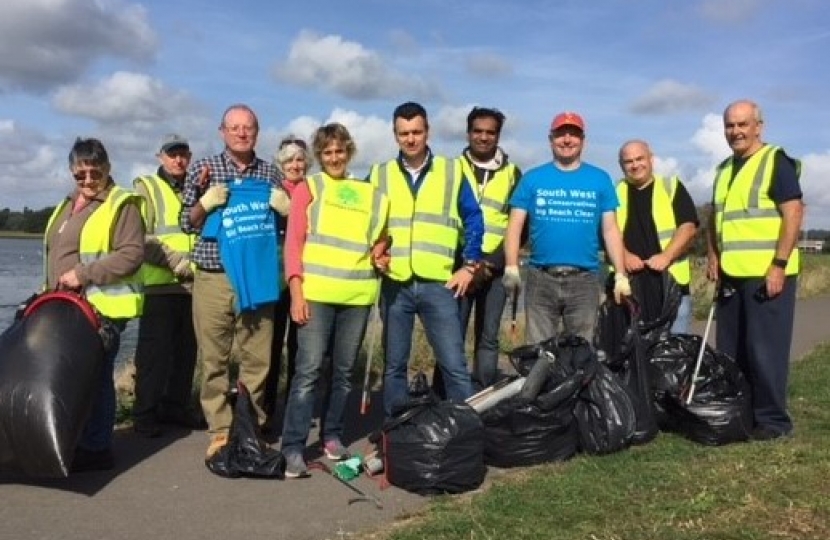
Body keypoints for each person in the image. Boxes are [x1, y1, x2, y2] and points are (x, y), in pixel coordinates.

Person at [280, 123, 389, 478]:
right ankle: (293, 446)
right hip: (316, 296)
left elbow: (379, 240)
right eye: (327, 153)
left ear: (350, 151)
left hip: (356, 296)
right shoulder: (308, 188)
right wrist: (296, 291)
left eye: (339, 151)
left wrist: (380, 254)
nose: (334, 158)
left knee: (342, 374)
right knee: (308, 372)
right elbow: (293, 244)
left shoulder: (370, 194)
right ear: (318, 156)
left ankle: (332, 436)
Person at [180, 103, 285, 459]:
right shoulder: (204, 169)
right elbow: (186, 221)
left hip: (256, 277)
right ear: (222, 131)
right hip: (213, 277)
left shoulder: (270, 174)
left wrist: (286, 210)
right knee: (214, 358)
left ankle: (251, 426)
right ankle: (222, 430)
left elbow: (284, 229)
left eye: (249, 127)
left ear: (257, 132)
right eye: (235, 127)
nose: (242, 133)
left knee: (258, 358)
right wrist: (206, 203)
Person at [368, 101, 484, 416]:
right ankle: (396, 433)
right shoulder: (380, 174)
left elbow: (474, 219)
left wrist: (470, 266)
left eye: (417, 132)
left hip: (439, 283)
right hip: (396, 283)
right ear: (395, 135)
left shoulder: (452, 169)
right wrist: (374, 251)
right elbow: (367, 223)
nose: (411, 139)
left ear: (427, 132)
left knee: (454, 365)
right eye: (404, 133)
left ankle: (468, 430)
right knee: (394, 366)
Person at [43, 137, 144, 471]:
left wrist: (83, 274)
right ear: (72, 172)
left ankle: (98, 448)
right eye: (80, 174)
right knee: (75, 377)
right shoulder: (66, 205)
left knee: (99, 377)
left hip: (104, 308)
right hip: (65, 306)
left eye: (95, 173)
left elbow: (132, 255)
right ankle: (74, 438)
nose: (88, 181)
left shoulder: (121, 204)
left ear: (108, 169)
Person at [707, 99, 803, 441]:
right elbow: (716, 218)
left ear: (758, 126)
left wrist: (778, 265)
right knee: (732, 351)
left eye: (743, 124)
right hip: (732, 274)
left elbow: (793, 213)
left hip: (767, 274)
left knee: (765, 350)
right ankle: (742, 416)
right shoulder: (723, 169)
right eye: (730, 126)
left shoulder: (774, 161)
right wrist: (713, 255)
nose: (736, 132)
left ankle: (774, 422)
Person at [503, 112, 630, 345]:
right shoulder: (532, 178)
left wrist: (621, 273)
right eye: (561, 134)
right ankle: (543, 383)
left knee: (581, 353)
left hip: (585, 280)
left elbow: (610, 230)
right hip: (541, 278)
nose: (567, 140)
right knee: (539, 353)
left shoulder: (600, 179)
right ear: (551, 139)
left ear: (583, 140)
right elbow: (514, 226)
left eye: (574, 134)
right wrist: (511, 266)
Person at [131, 134, 202, 437]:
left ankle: (176, 406)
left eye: (183, 154)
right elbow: (139, 238)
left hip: (194, 287)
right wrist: (176, 263)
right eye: (172, 154)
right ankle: (145, 415)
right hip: (160, 286)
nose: (178, 160)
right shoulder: (145, 187)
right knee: (153, 356)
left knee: (187, 352)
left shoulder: (199, 188)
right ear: (160, 156)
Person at [457, 107, 522, 390]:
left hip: (495, 268)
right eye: (478, 131)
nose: (483, 137)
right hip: (459, 268)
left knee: (488, 335)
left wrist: (492, 263)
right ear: (468, 132)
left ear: (497, 135)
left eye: (490, 132)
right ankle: (447, 397)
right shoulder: (451, 167)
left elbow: (520, 225)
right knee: (451, 335)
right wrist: (468, 264)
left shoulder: (512, 174)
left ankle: (483, 396)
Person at [616, 140, 698, 333]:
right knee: (632, 353)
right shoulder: (614, 192)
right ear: (621, 165)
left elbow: (688, 227)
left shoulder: (671, 186)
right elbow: (605, 232)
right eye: (628, 162)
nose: (635, 165)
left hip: (671, 285)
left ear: (651, 159)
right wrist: (625, 256)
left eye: (639, 159)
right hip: (630, 288)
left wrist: (666, 256)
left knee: (674, 352)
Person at [263, 135, 310, 427]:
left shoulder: (315, 191)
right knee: (270, 346)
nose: (295, 165)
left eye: (300, 159)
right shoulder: (271, 192)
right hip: (275, 280)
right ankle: (266, 409)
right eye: (289, 160)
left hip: (306, 281)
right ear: (280, 164)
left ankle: (296, 409)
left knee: (301, 348)